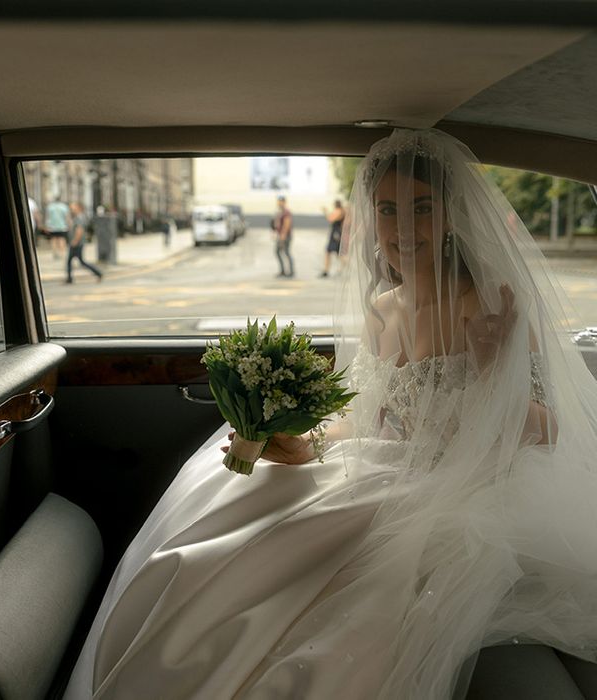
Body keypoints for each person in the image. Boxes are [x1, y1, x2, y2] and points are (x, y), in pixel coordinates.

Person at [67, 130, 597, 699]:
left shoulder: (490, 303)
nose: (401, 230)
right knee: (222, 507)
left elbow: (547, 432)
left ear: (450, 217)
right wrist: (307, 444)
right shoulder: (381, 308)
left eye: (421, 208)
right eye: (387, 210)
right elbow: (368, 417)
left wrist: (497, 373)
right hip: (382, 465)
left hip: (462, 487)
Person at [65, 201, 102, 284]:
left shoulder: (79, 218)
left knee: (77, 262)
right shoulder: (77, 217)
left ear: (78, 208)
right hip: (78, 243)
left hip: (77, 243)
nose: (71, 209)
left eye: (73, 207)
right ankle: (69, 278)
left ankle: (98, 273)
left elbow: (79, 231)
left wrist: (75, 241)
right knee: (75, 261)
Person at [319, 198, 346, 277]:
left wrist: (325, 212)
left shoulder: (339, 211)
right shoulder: (341, 211)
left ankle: (327, 270)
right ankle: (327, 270)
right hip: (336, 233)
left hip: (335, 233)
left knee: (333, 252)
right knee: (336, 253)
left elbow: (330, 219)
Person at [274, 194, 294, 278]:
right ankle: (283, 270)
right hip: (280, 235)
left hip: (285, 236)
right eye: (278, 201)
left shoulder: (286, 212)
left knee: (286, 252)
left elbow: (287, 224)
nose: (279, 203)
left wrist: (283, 235)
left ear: (284, 202)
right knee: (278, 252)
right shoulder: (280, 212)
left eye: (281, 201)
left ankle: (291, 271)